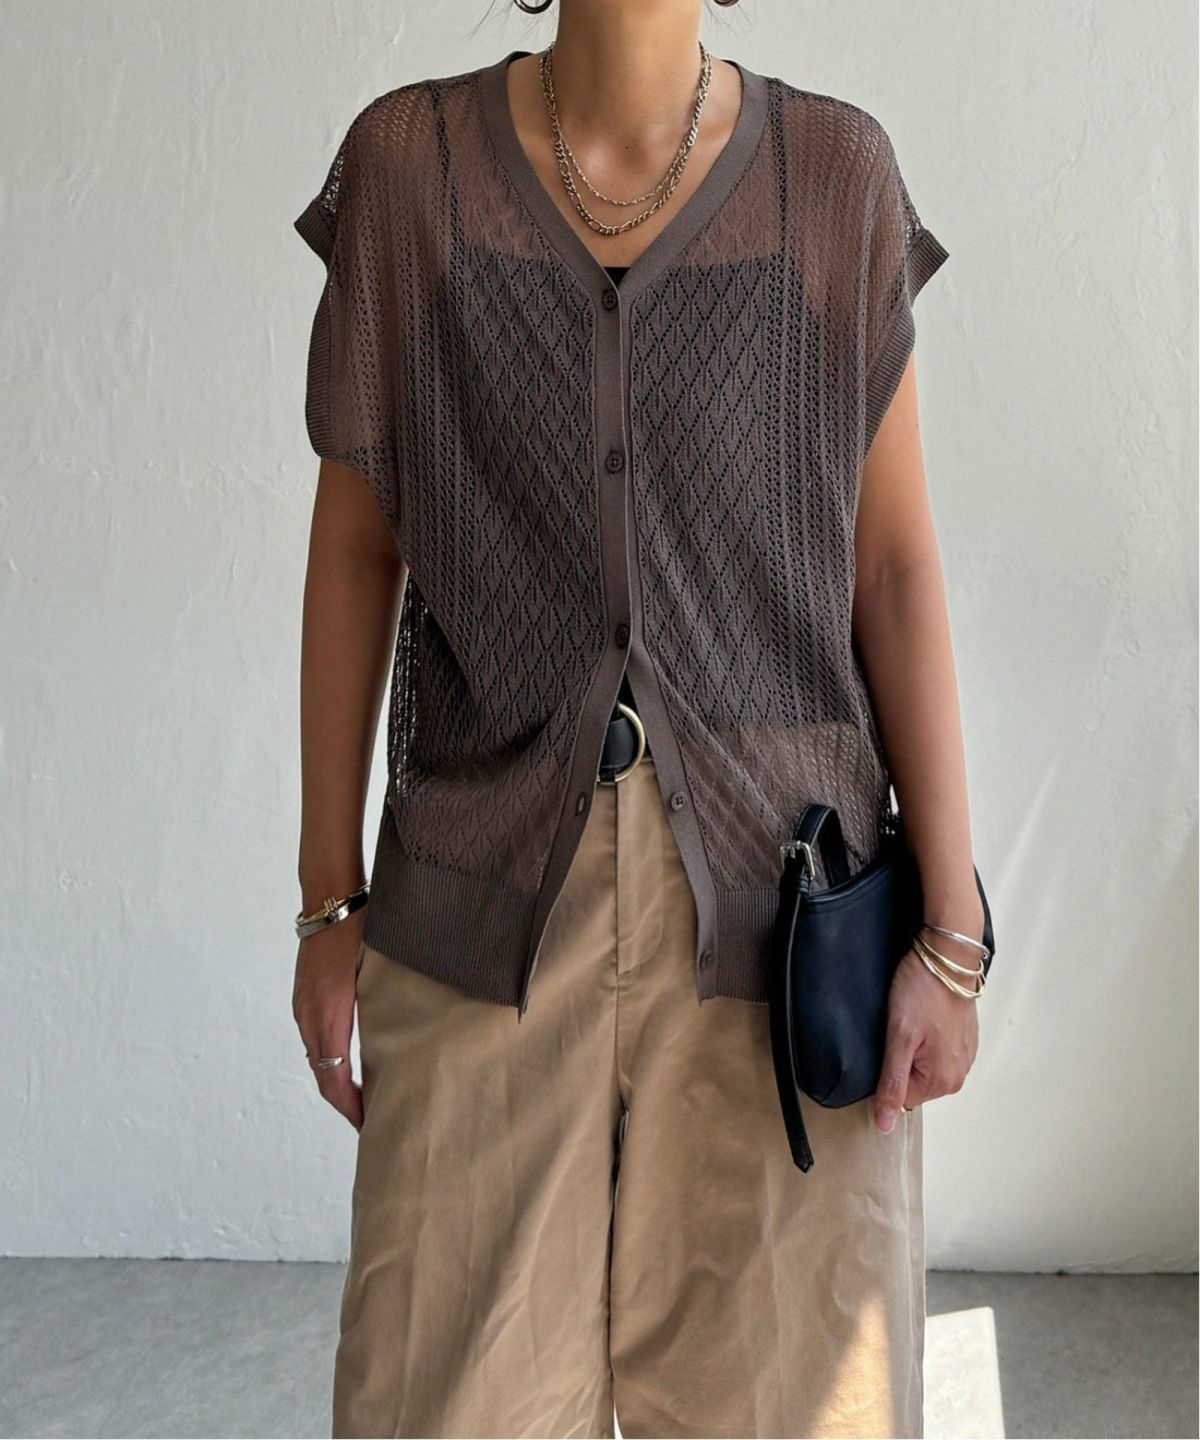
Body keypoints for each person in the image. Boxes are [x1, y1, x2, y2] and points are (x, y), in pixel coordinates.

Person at [290, 3, 988, 1436]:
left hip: (782, 934)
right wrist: (325, 898)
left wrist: (955, 935)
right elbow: (357, 552)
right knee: (444, 1406)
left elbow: (895, 572)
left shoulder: (832, 178)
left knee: (797, 1405)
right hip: (477, 908)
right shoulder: (413, 170)